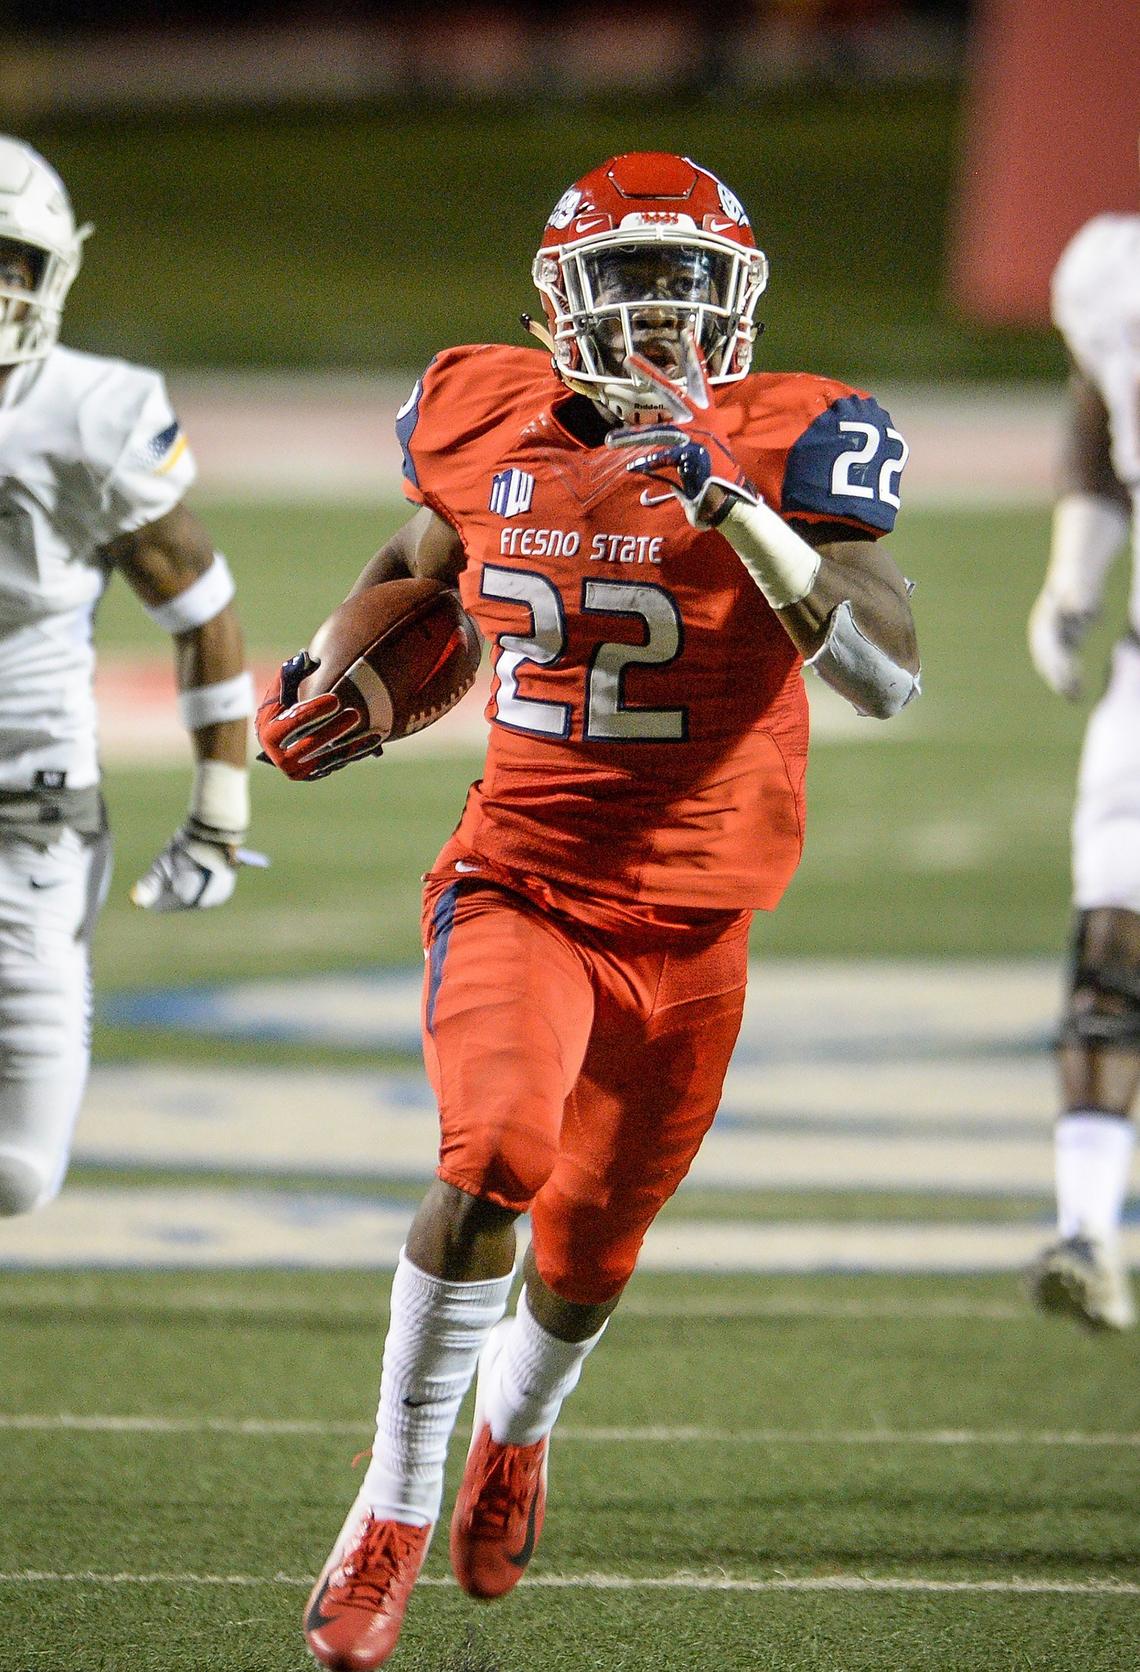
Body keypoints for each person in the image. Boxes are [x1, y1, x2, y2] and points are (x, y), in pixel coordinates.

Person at [257, 151, 920, 1670]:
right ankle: (389, 1513)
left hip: (697, 928)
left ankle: (517, 1435)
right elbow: (427, 563)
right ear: (564, 303)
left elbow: (886, 671)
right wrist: (328, 678)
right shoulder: (474, 409)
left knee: (589, 1257)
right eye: (631, 284)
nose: (664, 319)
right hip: (523, 886)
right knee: (492, 1154)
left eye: (690, 284)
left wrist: (744, 512)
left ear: (737, 302)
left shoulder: (801, 434)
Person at [0, 135, 259, 1219]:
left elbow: (202, 612)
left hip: (26, 811)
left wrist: (218, 807)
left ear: (52, 271)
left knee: (18, 1171)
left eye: (7, 258)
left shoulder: (85, 412)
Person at [1025, 202, 1140, 1331]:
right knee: (1109, 958)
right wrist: (1075, 574)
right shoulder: (1113, 269)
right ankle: (1089, 1233)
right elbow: (1101, 421)